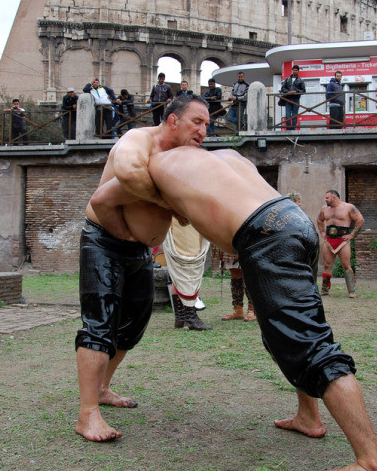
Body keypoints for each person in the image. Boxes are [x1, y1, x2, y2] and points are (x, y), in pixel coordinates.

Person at [144, 147, 377, 471]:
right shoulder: (227, 155)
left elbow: (167, 226)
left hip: (265, 236)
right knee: (280, 332)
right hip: (295, 221)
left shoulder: (162, 166)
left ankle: (372, 464)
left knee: (310, 347)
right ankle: (308, 416)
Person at [75, 95, 209, 443]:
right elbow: (112, 191)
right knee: (99, 321)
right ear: (173, 120)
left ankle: (103, 388)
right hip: (103, 240)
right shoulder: (139, 141)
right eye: (197, 121)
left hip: (138, 250)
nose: (203, 131)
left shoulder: (177, 158)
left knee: (133, 324)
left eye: (207, 125)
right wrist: (155, 208)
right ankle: (87, 413)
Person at [163, 218, 211, 331]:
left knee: (180, 272)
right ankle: (190, 316)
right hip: (182, 222)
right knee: (189, 268)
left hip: (179, 222)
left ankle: (180, 317)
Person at [317, 190, 364, 299]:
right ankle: (324, 289)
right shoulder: (324, 209)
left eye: (327, 197)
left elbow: (360, 220)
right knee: (327, 265)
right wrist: (322, 232)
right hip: (329, 240)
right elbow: (319, 220)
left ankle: (352, 290)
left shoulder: (348, 207)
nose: (325, 199)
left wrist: (352, 235)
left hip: (342, 240)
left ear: (334, 197)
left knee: (346, 265)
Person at [219, 251, 256, 322]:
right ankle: (238, 310)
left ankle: (253, 310)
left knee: (249, 270)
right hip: (229, 243)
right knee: (234, 270)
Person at [279, 65, 306, 130]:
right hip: (288, 99)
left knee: (294, 115)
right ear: (292, 70)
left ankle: (293, 129)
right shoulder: (287, 79)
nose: (295, 71)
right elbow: (282, 88)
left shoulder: (301, 80)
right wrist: (288, 91)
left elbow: (303, 90)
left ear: (298, 71)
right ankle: (288, 129)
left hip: (296, 99)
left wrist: (296, 91)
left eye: (296, 70)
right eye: (294, 70)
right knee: (288, 115)